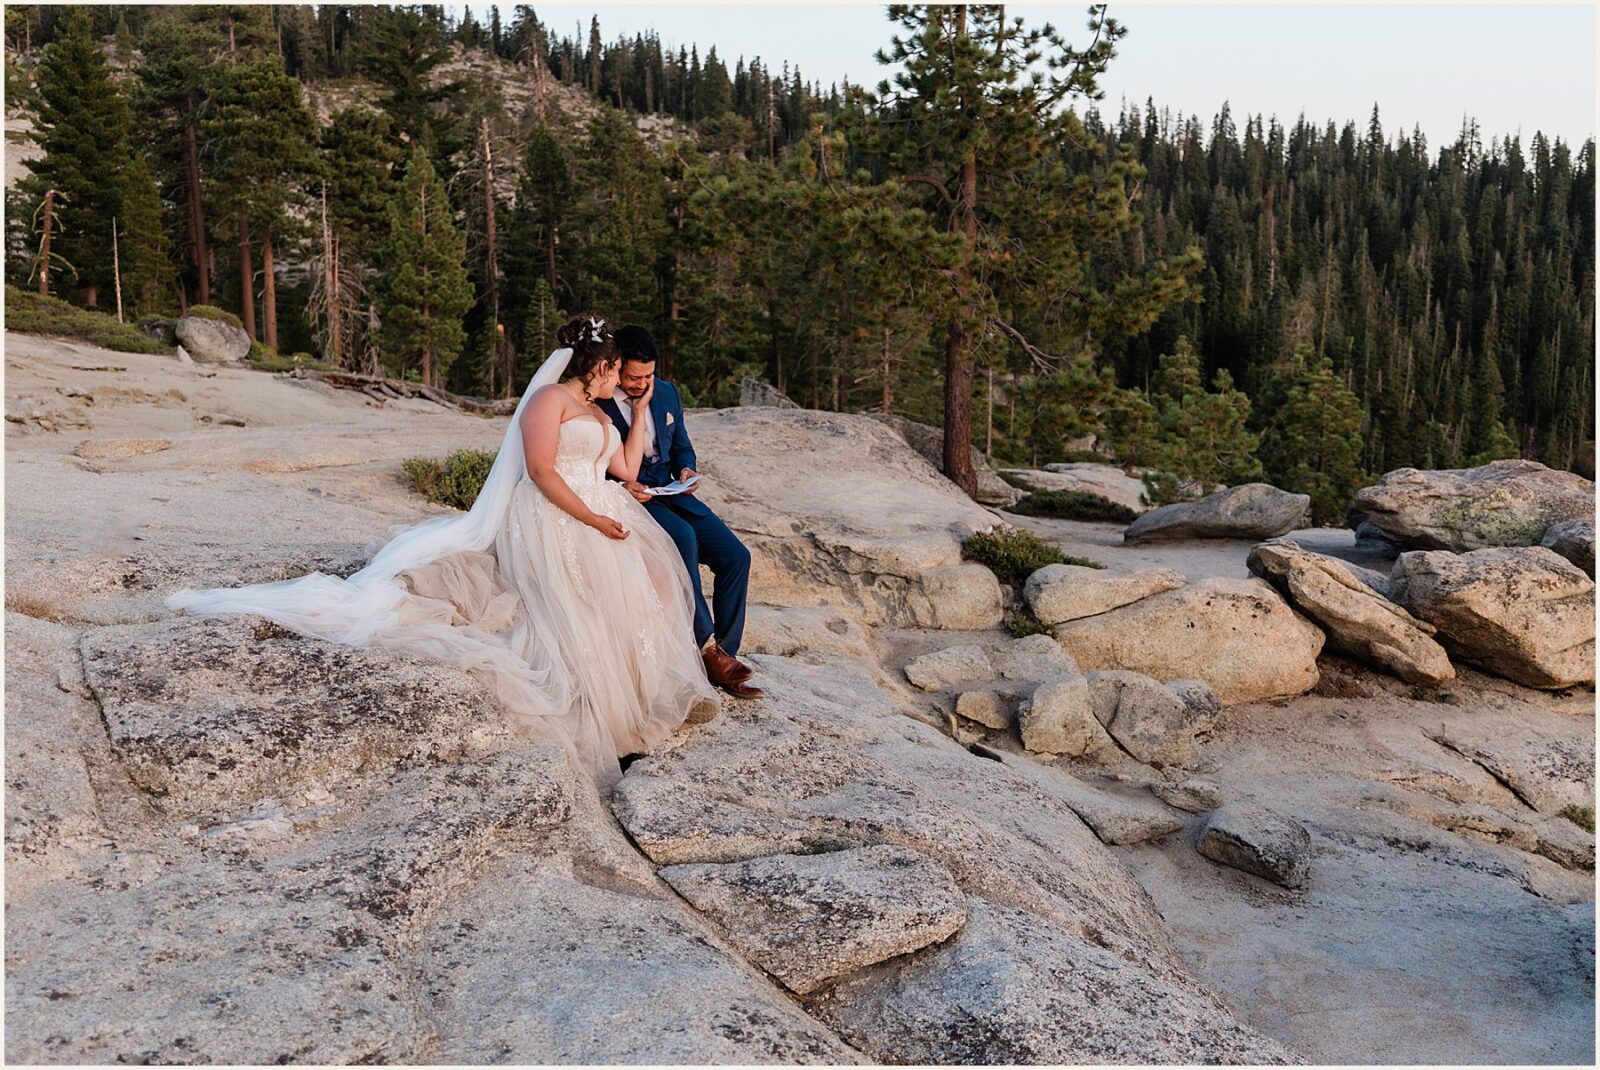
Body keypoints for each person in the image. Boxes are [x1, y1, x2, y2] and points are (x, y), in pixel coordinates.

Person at [163, 315, 720, 790]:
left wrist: (641, 413)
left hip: (602, 509)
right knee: (573, 611)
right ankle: (600, 718)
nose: (620, 380)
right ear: (596, 367)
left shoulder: (603, 413)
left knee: (641, 594)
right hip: (556, 514)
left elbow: (623, 468)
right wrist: (594, 517)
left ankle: (633, 709)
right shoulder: (547, 401)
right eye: (614, 371)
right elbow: (542, 472)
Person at [596, 325, 763, 700]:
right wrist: (622, 486)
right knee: (683, 540)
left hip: (673, 493)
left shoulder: (668, 392)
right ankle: (704, 649)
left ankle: (725, 658)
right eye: (633, 376)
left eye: (648, 375)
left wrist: (687, 470)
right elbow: (594, 460)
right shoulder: (599, 400)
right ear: (617, 365)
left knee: (737, 556)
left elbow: (682, 447)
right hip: (631, 497)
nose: (641, 383)